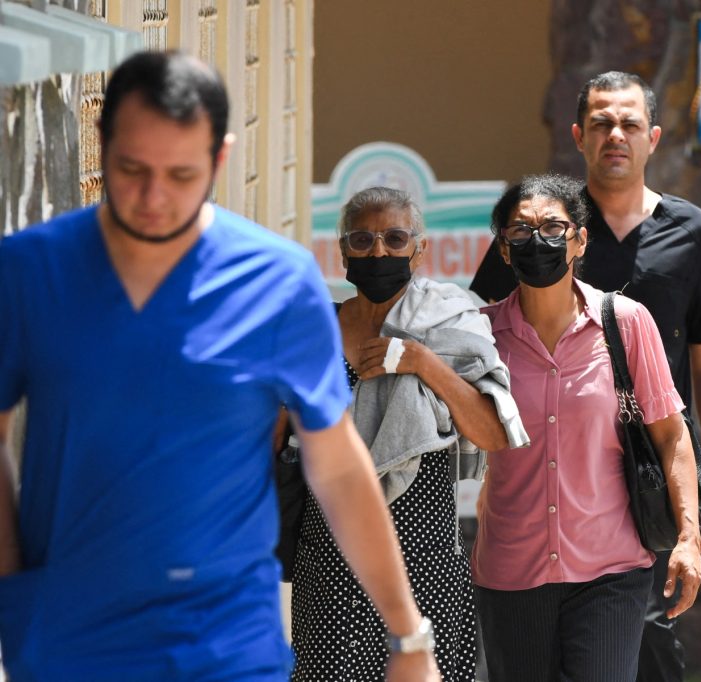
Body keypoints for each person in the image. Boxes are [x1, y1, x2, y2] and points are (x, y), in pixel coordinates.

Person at [0, 51, 438, 682]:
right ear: (102, 142)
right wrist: (15, 595)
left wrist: (408, 634)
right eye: (132, 169)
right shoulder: (29, 270)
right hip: (68, 642)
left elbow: (337, 465)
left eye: (181, 174)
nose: (153, 198)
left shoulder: (278, 281)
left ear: (220, 157)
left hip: (226, 646)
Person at [469, 72, 701, 681]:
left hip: (638, 491)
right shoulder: (543, 222)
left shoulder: (693, 235)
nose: (615, 136)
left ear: (653, 137)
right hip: (529, 521)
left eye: (628, 124)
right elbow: (485, 349)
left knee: (654, 648)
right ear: (579, 136)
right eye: (601, 124)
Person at [288, 187, 527, 682]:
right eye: (363, 240)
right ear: (343, 252)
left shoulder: (449, 323)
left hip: (424, 561)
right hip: (329, 560)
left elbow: (493, 433)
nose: (379, 252)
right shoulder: (316, 330)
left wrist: (423, 363)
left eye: (395, 239)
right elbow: (275, 434)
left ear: (419, 250)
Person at [472, 173, 701, 682]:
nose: (537, 242)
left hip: (611, 569)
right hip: (511, 572)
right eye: (521, 230)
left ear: (579, 240)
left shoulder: (626, 323)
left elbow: (671, 435)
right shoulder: (481, 335)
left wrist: (688, 537)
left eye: (553, 228)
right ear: (504, 250)